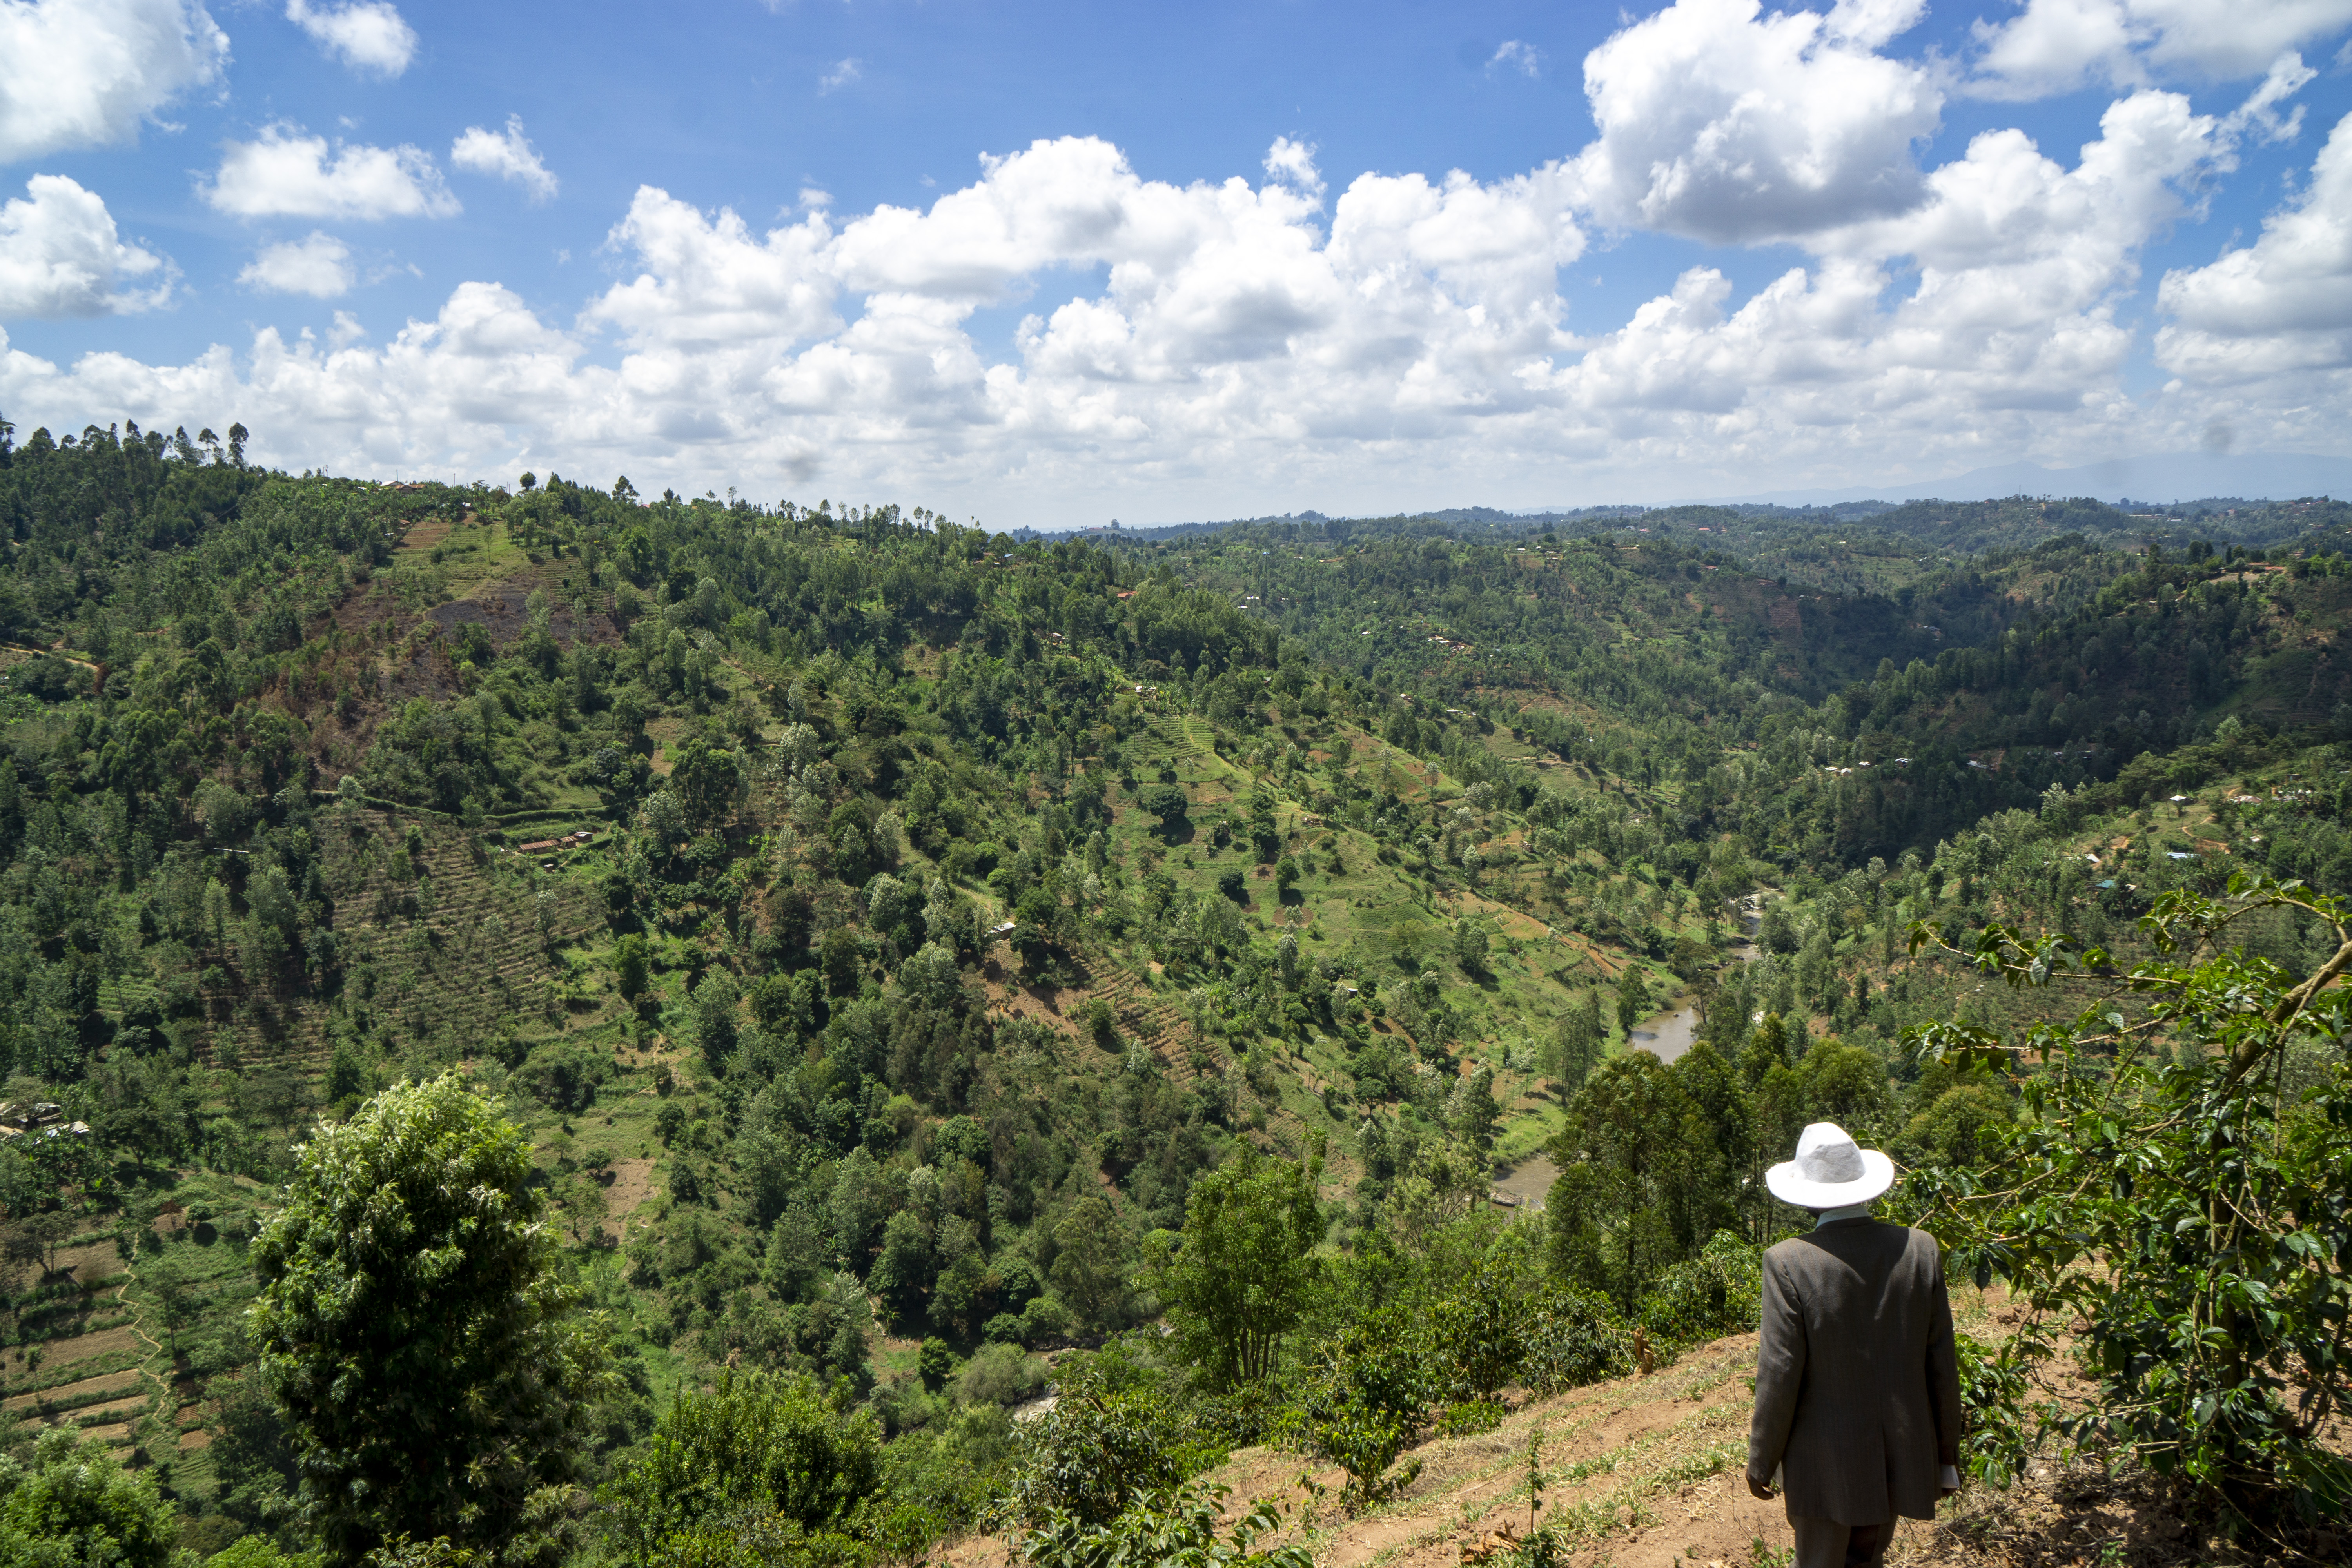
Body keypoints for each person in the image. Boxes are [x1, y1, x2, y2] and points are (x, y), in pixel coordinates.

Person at [1745, 1122, 1962, 1568]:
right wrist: (1945, 1458)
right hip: (1896, 1461)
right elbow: (1941, 1364)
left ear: (1805, 1195)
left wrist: (1761, 1462)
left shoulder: (1788, 1262)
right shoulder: (1920, 1250)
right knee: (1868, 1559)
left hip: (1825, 1473)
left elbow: (1780, 1372)